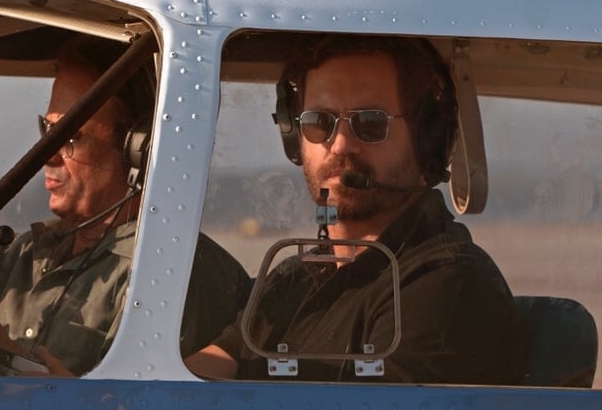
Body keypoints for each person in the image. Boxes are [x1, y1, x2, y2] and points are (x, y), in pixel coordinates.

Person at [0, 35, 250, 377]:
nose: (48, 155)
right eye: (47, 131)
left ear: (137, 149)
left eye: (70, 137)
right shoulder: (28, 254)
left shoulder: (175, 271)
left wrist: (1, 357)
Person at [187, 34, 528, 385]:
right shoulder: (297, 276)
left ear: (426, 139)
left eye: (370, 123)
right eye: (319, 122)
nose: (340, 145)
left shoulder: (448, 287)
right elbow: (217, 361)